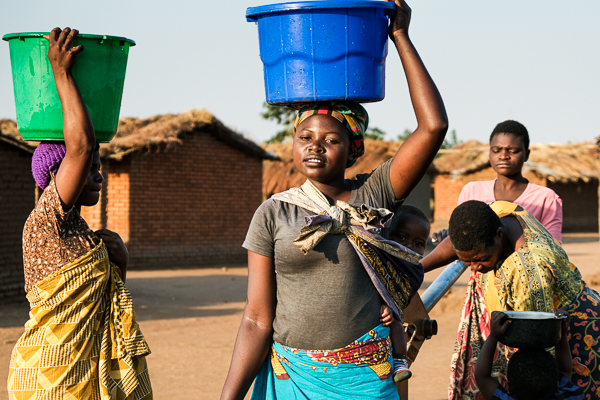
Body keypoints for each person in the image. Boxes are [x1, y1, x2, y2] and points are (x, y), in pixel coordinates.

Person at [220, 0, 449, 397]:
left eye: (331, 140)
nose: (315, 147)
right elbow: (257, 319)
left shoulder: (371, 196)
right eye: (304, 137)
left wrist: (400, 37)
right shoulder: (273, 213)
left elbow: (433, 127)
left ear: (352, 149)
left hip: (365, 378)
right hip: (291, 377)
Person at [7, 27, 152, 399]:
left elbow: (101, 306)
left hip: (85, 372)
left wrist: (120, 263)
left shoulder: (80, 232)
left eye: (98, 166)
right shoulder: (45, 222)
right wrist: (61, 74)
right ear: (58, 175)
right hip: (50, 375)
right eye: (90, 167)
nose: (98, 174)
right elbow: (82, 145)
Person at [421, 200, 600, 399]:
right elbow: (464, 238)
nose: (474, 268)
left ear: (499, 236)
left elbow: (539, 347)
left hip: (575, 334)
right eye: (467, 261)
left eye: (480, 259)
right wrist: (417, 269)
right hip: (561, 333)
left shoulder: (528, 273)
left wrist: (495, 338)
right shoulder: (499, 211)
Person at [433, 120, 562, 244]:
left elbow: (555, 250)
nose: (503, 156)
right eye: (496, 150)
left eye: (512, 151)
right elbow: (463, 237)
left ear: (526, 154)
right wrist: (450, 236)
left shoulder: (545, 198)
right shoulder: (472, 191)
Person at [475, 310, 584, 400]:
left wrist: (493, 336)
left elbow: (482, 377)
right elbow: (565, 370)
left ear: (510, 388)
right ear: (557, 386)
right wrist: (561, 332)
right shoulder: (570, 396)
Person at [380, 205, 432, 382]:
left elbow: (403, 295)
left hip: (391, 311)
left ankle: (400, 361)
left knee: (396, 323)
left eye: (418, 243)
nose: (409, 246)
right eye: (401, 237)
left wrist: (388, 305)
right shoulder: (379, 255)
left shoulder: (415, 270)